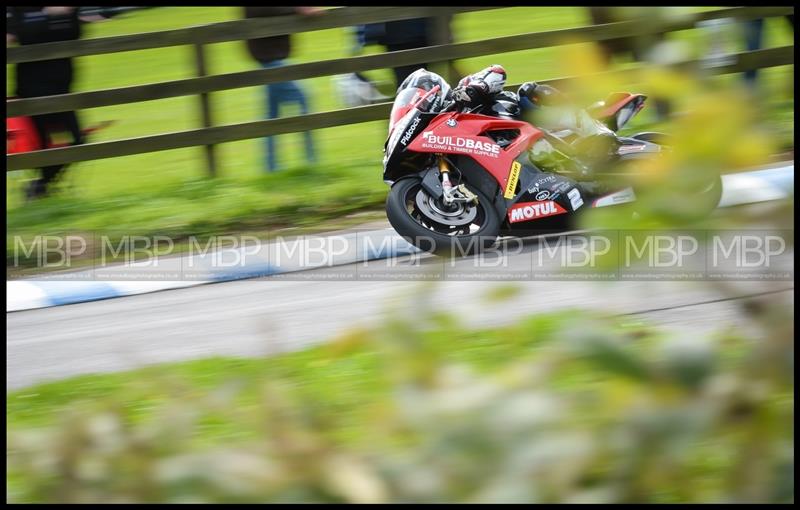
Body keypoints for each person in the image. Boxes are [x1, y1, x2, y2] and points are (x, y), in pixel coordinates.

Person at [450, 64, 618, 173]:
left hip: (535, 125)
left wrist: (477, 87)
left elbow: (497, 70)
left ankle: (595, 131)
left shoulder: (466, 89)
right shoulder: (451, 125)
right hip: (518, 158)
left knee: (529, 90)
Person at [6, 6, 100, 200]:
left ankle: (41, 186)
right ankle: (41, 189)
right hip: (32, 89)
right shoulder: (20, 10)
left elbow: (75, 35)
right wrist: (48, 16)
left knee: (78, 141)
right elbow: (24, 36)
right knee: (41, 146)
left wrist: (69, 15)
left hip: (63, 87)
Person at [243, 7, 321, 172]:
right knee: (303, 99)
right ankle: (311, 161)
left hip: (270, 56)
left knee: (271, 117)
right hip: (269, 58)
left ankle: (270, 167)